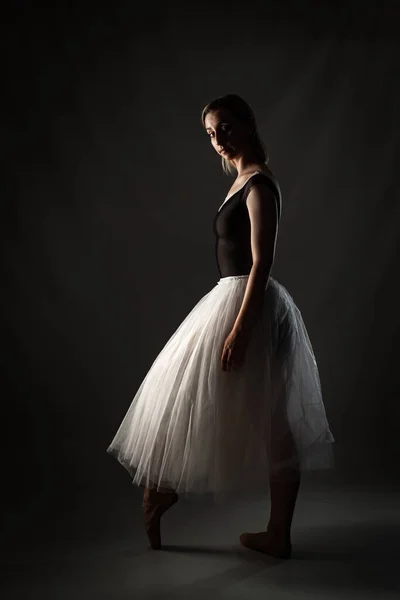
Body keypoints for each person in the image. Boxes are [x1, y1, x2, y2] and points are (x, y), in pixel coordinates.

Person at [107, 94, 335, 557]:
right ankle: (164, 489)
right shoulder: (239, 182)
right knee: (194, 397)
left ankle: (274, 533)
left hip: (250, 305)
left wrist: (240, 328)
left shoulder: (259, 186)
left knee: (271, 423)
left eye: (225, 128)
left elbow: (261, 262)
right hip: (230, 300)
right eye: (211, 134)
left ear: (248, 125)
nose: (218, 140)